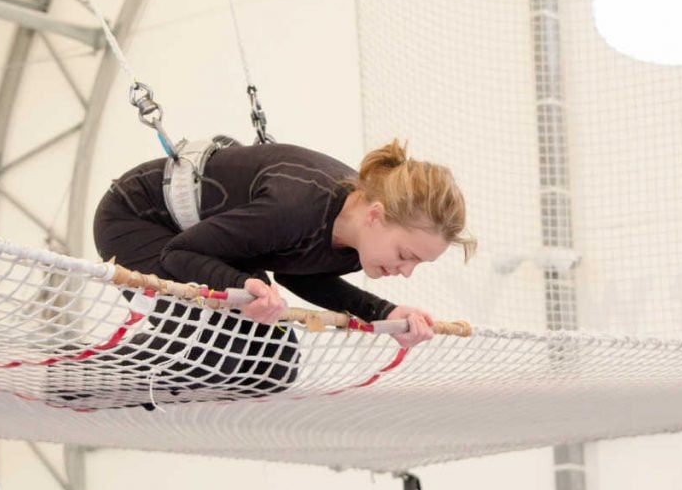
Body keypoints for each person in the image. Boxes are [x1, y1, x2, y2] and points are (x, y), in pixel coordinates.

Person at [63, 136, 475, 409]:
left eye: (417, 264)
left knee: (274, 367)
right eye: (406, 254)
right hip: (141, 221)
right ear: (375, 215)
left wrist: (386, 311)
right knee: (206, 343)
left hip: (212, 237)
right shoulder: (293, 208)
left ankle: (158, 390)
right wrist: (240, 285)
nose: (405, 272)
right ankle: (71, 378)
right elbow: (177, 256)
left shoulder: (358, 240)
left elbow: (302, 271)